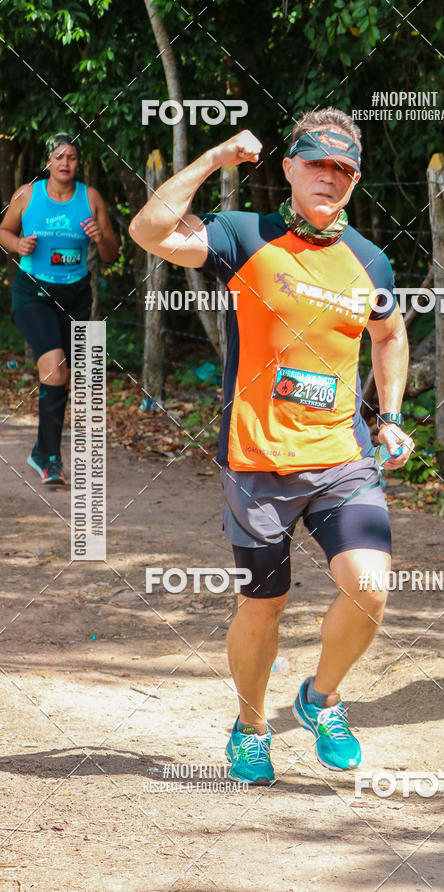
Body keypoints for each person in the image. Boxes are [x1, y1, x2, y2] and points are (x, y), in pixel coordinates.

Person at [130, 107, 414, 785]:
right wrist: (213, 159)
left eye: (342, 169)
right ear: (289, 167)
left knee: (369, 587)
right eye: (315, 163)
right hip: (256, 462)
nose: (328, 178)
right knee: (263, 604)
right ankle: (251, 726)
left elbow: (391, 334)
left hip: (341, 460)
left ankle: (322, 699)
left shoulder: (369, 260)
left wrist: (391, 414)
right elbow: (148, 231)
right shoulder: (243, 235)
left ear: (354, 181)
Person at [0, 132, 119, 484]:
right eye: (58, 156)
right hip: (33, 292)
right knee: (54, 370)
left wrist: (101, 238)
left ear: (77, 163)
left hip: (76, 296)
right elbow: (3, 230)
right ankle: (51, 458)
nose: (65, 163)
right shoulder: (27, 194)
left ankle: (41, 450)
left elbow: (113, 253)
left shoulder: (90, 198)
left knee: (62, 377)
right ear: (48, 161)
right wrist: (17, 243)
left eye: (71, 157)